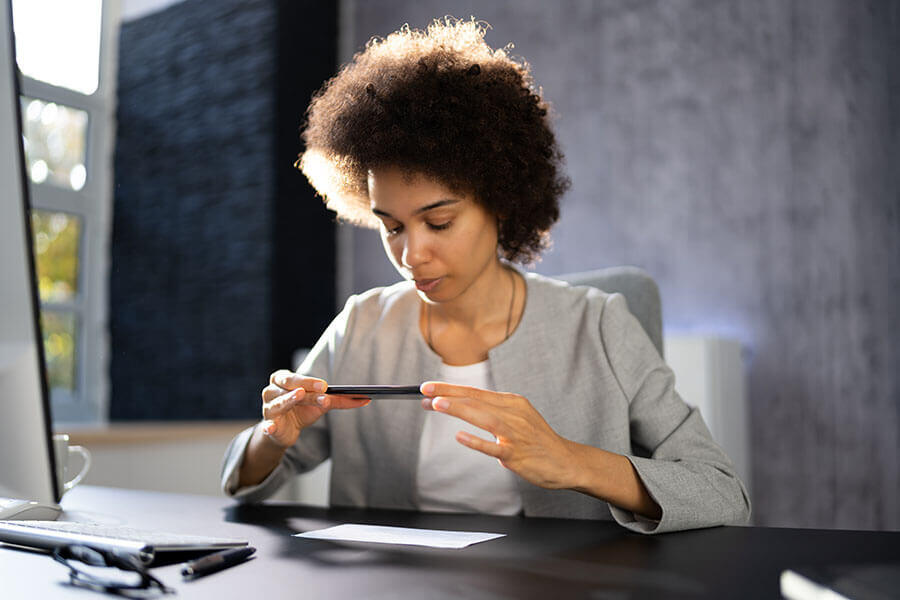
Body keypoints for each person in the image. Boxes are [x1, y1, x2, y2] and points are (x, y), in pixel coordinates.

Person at [221, 17, 750, 534]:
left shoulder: (599, 324)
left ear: (501, 202)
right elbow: (243, 483)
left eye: (440, 222)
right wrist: (274, 435)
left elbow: (722, 492)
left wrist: (572, 461)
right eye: (392, 227)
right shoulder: (362, 325)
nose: (411, 254)